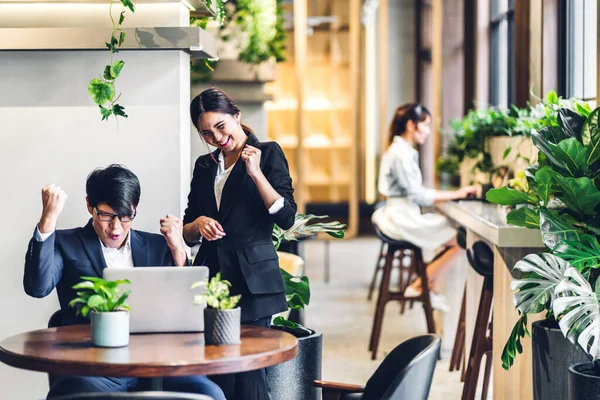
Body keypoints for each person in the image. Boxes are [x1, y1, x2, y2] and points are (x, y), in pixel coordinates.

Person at [24, 164, 225, 400]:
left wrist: (178, 249)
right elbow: (38, 287)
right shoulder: (66, 243)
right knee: (67, 393)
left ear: (135, 206)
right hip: (94, 370)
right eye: (106, 216)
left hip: (161, 365)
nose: (116, 227)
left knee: (209, 393)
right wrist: (48, 219)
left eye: (126, 216)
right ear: (90, 205)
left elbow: (193, 305)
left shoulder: (158, 246)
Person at [184, 87, 296, 400]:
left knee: (247, 373)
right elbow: (187, 230)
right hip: (211, 282)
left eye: (221, 127)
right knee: (216, 370)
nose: (217, 138)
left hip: (253, 283)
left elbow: (286, 217)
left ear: (236, 116)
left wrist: (256, 173)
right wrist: (198, 224)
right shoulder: (204, 167)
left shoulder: (268, 153)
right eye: (206, 133)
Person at [371, 103, 477, 312]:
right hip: (401, 217)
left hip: (401, 213)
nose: (428, 132)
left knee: (451, 232)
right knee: (462, 239)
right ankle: (422, 284)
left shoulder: (401, 151)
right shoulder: (401, 153)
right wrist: (456, 193)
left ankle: (427, 284)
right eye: (426, 125)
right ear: (412, 125)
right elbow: (417, 195)